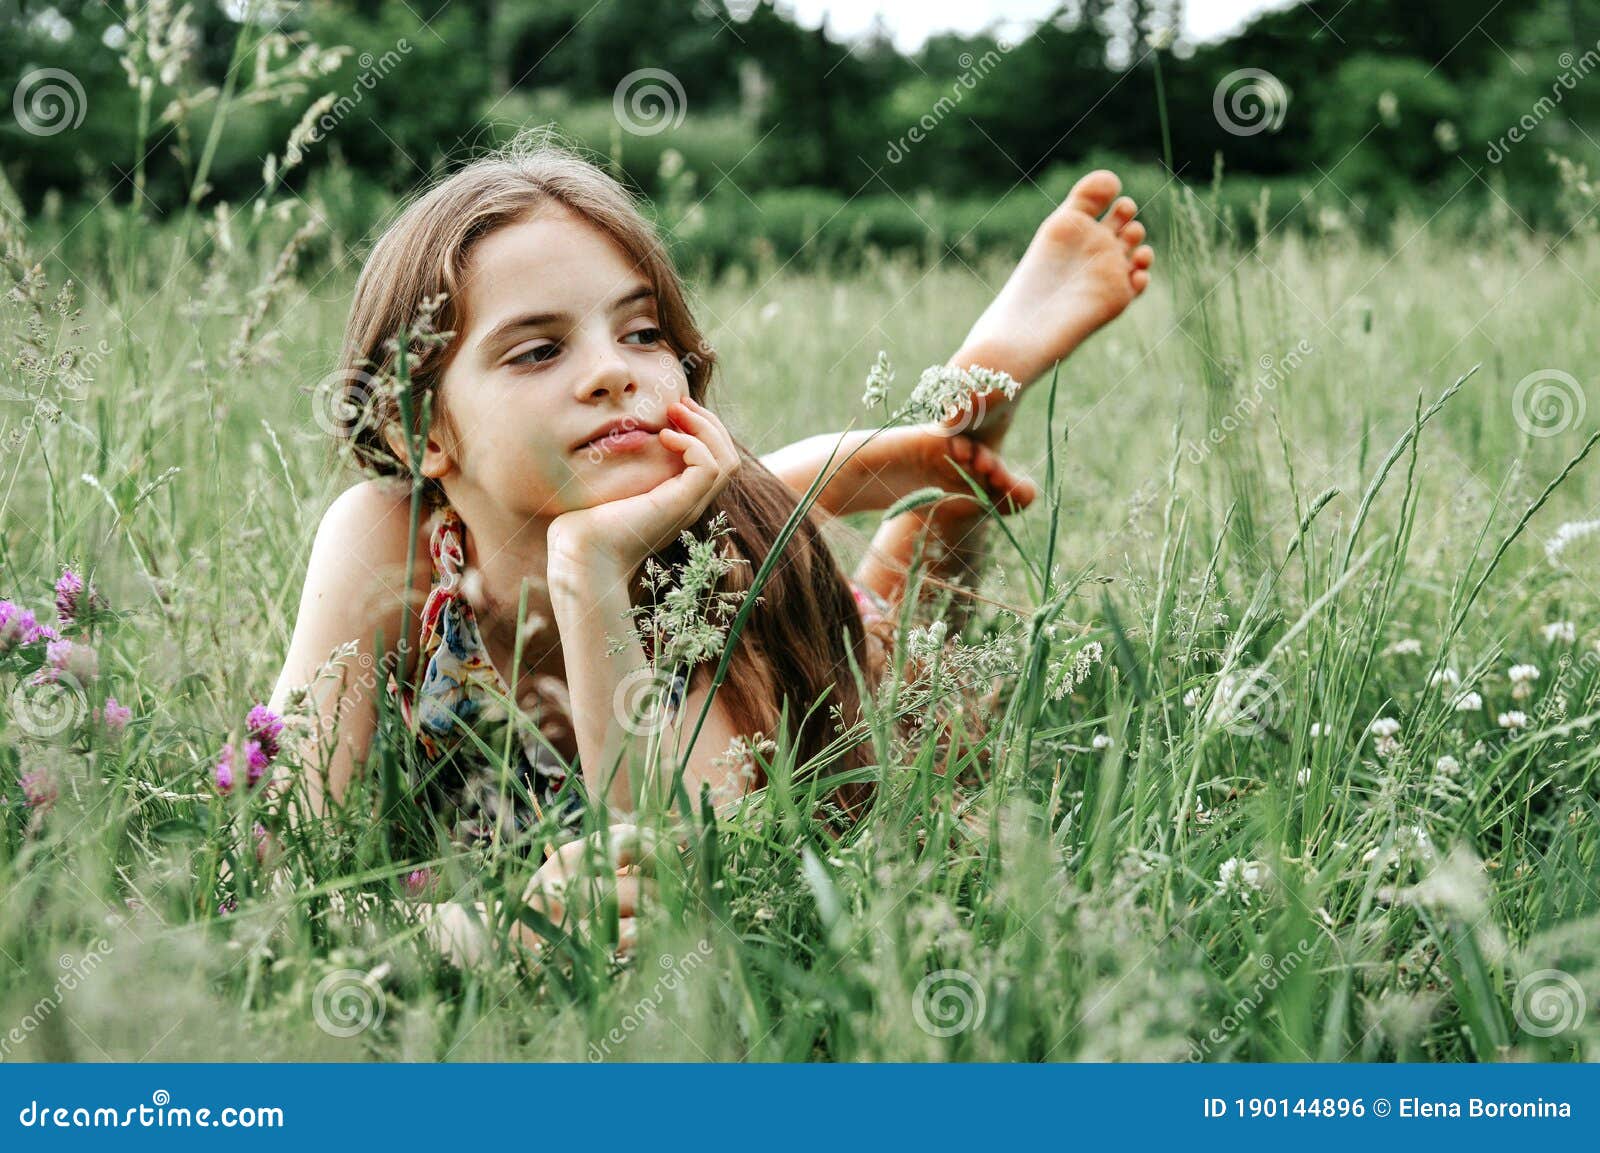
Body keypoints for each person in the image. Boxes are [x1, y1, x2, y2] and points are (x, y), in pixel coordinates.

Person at [264, 136, 1153, 954]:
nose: (614, 369)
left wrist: (594, 567)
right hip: (751, 535)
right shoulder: (385, 538)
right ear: (419, 425)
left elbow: (684, 879)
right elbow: (273, 873)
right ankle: (819, 473)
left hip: (812, 677)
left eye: (643, 332)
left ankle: (958, 444)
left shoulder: (704, 567)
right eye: (537, 351)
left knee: (906, 680)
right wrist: (482, 930)